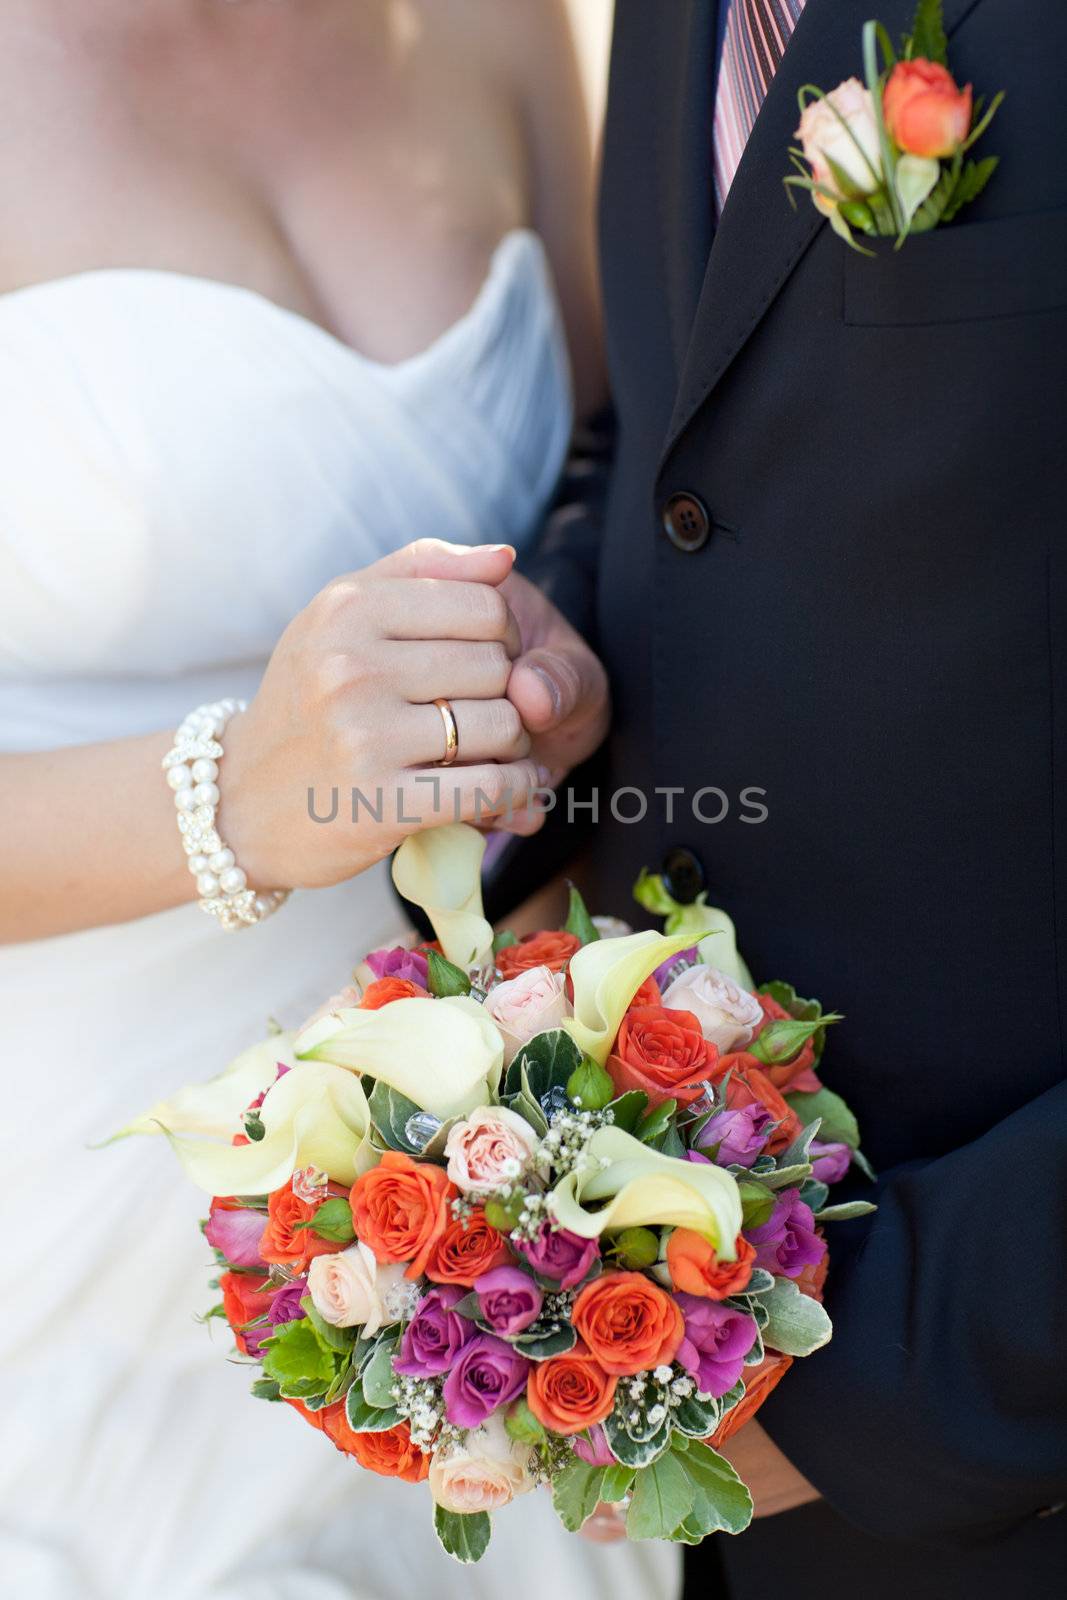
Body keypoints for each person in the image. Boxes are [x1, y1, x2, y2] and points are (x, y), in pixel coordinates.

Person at [0, 4, 668, 1598]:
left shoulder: (502, 24)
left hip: (486, 1213)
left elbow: (620, 471)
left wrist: (557, 662)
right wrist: (230, 792)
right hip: (71, 1202)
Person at [499, 0, 1067, 1594]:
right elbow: (695, 417)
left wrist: (905, 1357)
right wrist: (539, 675)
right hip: (705, 1367)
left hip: (981, 1401)